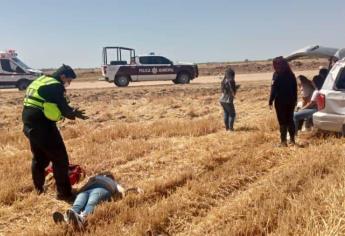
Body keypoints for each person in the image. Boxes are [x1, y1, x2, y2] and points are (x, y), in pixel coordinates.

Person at [22, 65, 88, 201]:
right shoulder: (55, 85)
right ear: (63, 76)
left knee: (40, 159)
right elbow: (65, 110)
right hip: (43, 127)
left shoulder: (40, 80)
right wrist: (74, 113)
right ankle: (64, 194)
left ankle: (38, 189)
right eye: (68, 81)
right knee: (60, 160)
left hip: (29, 126)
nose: (67, 83)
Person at [52, 172, 142, 230]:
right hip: (85, 191)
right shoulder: (94, 178)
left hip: (101, 189)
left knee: (92, 203)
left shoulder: (113, 182)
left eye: (107, 174)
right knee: (77, 206)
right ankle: (67, 219)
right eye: (105, 174)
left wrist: (134, 190)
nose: (105, 174)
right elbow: (81, 187)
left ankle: (82, 218)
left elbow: (122, 190)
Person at [269, 57, 297, 147]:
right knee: (290, 120)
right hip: (291, 101)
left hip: (280, 101)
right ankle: (292, 140)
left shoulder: (276, 74)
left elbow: (273, 89)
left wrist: (270, 100)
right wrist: (295, 100)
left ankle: (283, 142)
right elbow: (295, 89)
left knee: (282, 122)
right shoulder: (291, 74)